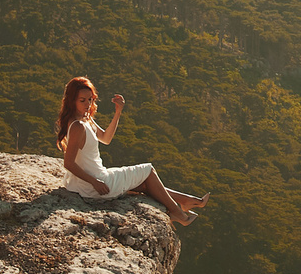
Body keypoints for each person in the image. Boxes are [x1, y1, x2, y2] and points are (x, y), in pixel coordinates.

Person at [54, 77, 207, 224]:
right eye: (82, 100)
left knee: (144, 184)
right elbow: (68, 163)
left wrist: (118, 112)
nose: (88, 104)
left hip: (93, 179)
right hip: (94, 184)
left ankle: (185, 201)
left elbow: (106, 139)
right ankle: (179, 214)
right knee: (148, 170)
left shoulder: (85, 119)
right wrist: (95, 182)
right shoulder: (78, 126)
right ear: (71, 100)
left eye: (90, 99)